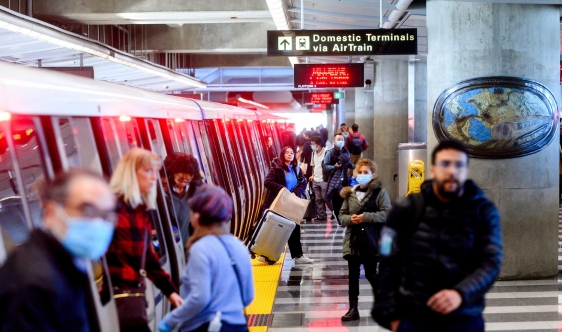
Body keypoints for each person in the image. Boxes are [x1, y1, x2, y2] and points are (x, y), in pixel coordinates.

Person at [374, 140, 502, 332]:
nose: (452, 171)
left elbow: (491, 262)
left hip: (464, 319)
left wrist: (460, 293)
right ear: (432, 170)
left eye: (459, 165)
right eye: (445, 164)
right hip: (415, 318)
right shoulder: (404, 210)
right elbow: (387, 262)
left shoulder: (483, 212)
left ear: (466, 171)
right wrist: (393, 318)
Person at [0, 169, 116, 332]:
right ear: (50, 211)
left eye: (106, 216)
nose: (97, 224)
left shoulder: (62, 265)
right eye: (86, 210)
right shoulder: (34, 282)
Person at [158, 185, 254, 332]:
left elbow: (199, 298)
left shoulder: (200, 249)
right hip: (239, 326)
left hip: (207, 326)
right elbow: (248, 296)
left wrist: (170, 321)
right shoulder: (239, 246)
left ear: (198, 215)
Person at [106, 148, 183, 332]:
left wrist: (170, 291)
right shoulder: (113, 211)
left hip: (133, 300)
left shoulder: (139, 211)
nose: (155, 178)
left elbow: (148, 258)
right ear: (130, 174)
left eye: (155, 172)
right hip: (119, 304)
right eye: (148, 171)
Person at [339, 159, 391, 321]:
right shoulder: (350, 193)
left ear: (373, 175)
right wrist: (351, 219)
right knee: (353, 276)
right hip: (353, 241)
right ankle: (353, 309)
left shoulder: (379, 193)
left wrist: (365, 217)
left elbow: (387, 213)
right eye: (359, 172)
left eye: (366, 172)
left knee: (370, 274)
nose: (362, 175)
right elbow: (341, 216)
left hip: (370, 241)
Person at [261, 147, 314, 264]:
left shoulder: (296, 169)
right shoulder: (277, 169)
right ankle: (266, 254)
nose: (290, 154)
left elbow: (303, 182)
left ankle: (298, 256)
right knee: (276, 229)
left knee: (295, 227)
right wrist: (283, 190)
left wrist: (295, 192)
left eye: (291, 153)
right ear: (282, 155)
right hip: (278, 203)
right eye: (287, 153)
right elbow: (267, 182)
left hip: (291, 203)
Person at [163, 152, 203, 245]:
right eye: (180, 179)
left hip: (187, 245)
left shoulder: (195, 191)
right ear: (173, 173)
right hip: (170, 247)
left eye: (187, 180)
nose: (184, 183)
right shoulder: (164, 192)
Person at [323, 133, 355, 224]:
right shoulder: (330, 153)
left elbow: (348, 163)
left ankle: (343, 218)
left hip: (345, 180)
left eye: (342, 139)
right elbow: (325, 166)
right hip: (335, 182)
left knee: (345, 201)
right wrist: (335, 167)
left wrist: (357, 167)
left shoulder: (346, 151)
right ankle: (340, 219)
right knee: (337, 202)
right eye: (338, 139)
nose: (340, 141)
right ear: (334, 141)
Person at [309, 135, 329, 222]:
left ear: (319, 144)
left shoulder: (326, 153)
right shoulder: (313, 153)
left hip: (324, 180)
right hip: (316, 179)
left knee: (326, 198)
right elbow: (313, 165)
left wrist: (328, 179)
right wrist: (313, 175)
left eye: (313, 144)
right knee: (318, 199)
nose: (311, 146)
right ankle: (322, 215)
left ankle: (336, 211)